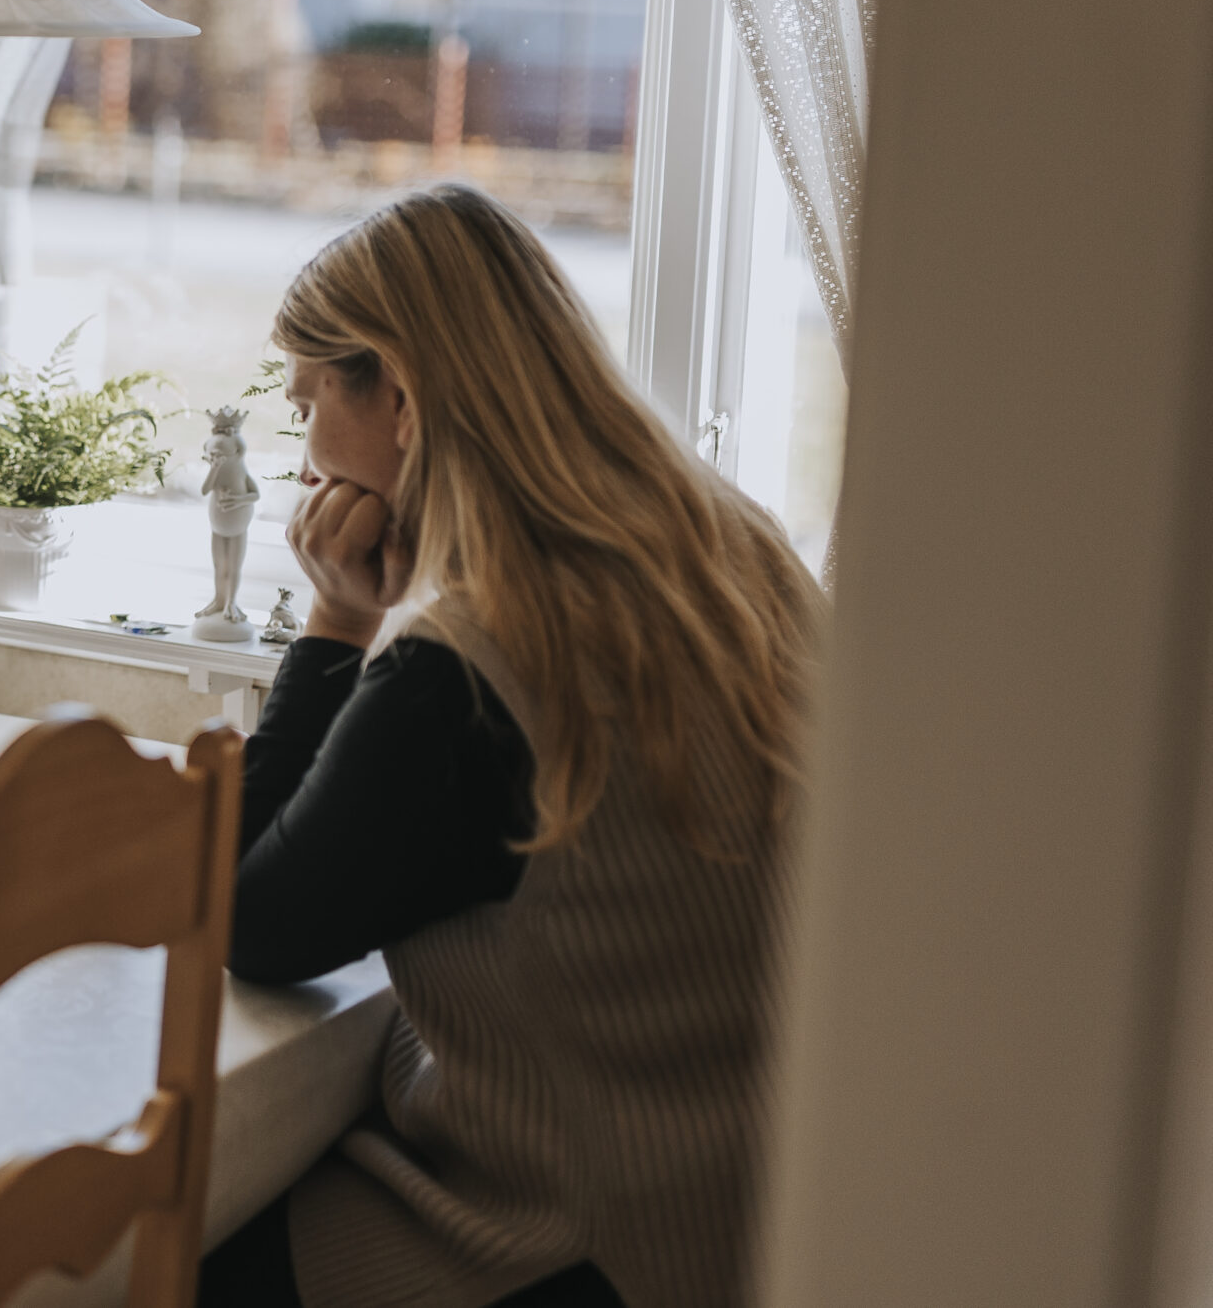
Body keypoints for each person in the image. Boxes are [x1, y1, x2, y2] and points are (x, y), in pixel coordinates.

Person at [200, 185, 822, 1308]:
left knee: (145, 1255)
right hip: (752, 1211)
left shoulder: (476, 668)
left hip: (573, 1243)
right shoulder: (734, 550)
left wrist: (336, 624)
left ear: (396, 390)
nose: (302, 462)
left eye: (308, 406)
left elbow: (246, 921)